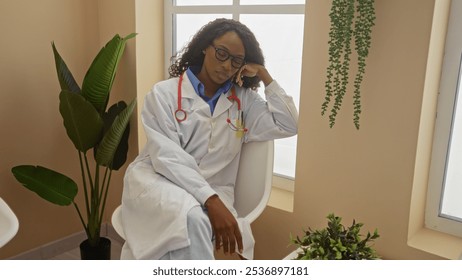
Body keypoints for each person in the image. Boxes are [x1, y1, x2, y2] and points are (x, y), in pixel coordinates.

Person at [120, 18, 298, 260]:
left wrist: (265, 76)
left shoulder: (243, 101)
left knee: (190, 225)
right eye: (221, 53)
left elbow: (289, 123)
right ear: (206, 47)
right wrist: (210, 200)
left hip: (214, 186)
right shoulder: (164, 94)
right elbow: (167, 157)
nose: (227, 66)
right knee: (192, 217)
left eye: (236, 61)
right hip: (159, 180)